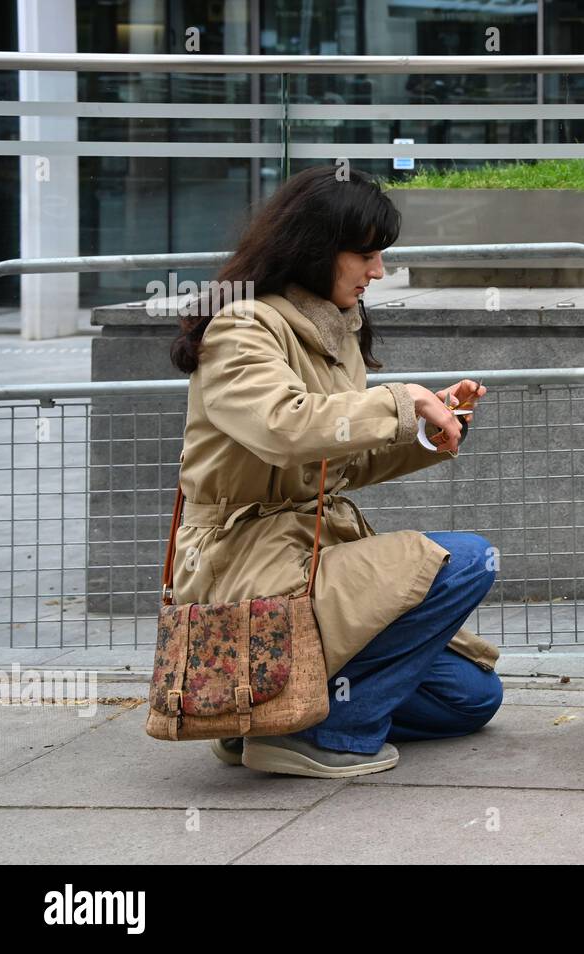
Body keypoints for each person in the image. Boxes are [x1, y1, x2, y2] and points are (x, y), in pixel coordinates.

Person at [168, 165, 502, 778]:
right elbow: (284, 427)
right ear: (316, 248)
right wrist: (402, 400)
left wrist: (429, 431)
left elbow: (335, 458)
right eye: (367, 254)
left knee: (473, 698)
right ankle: (328, 736)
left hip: (304, 550)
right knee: (469, 560)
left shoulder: (333, 329)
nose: (378, 272)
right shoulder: (242, 325)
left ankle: (269, 715)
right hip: (243, 560)